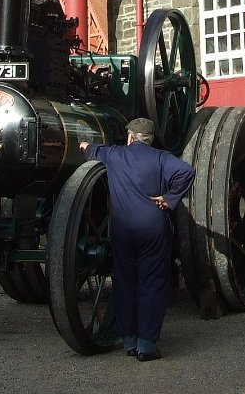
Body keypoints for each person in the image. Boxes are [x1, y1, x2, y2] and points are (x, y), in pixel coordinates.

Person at [79, 117, 195, 361]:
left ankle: (129, 341)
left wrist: (84, 145)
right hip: (153, 230)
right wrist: (169, 199)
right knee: (151, 284)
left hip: (122, 231)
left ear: (130, 137)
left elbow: (90, 150)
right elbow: (187, 172)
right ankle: (146, 346)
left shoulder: (114, 155)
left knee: (125, 283)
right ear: (149, 139)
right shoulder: (161, 158)